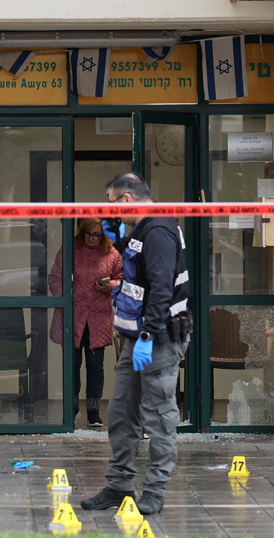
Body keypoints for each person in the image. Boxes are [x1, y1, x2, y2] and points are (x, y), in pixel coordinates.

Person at [81, 173, 191, 516]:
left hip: (157, 338)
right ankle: (119, 485)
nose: (108, 212)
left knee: (159, 417)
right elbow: (137, 279)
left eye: (110, 204)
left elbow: (161, 288)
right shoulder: (141, 230)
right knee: (121, 413)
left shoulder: (158, 230)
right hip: (137, 339)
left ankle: (155, 490)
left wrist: (146, 335)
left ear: (126, 200)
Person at [48, 218, 122, 427]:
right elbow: (55, 277)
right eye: (88, 234)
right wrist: (65, 297)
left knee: (95, 367)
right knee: (72, 365)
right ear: (82, 233)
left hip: (98, 318)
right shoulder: (71, 249)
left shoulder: (112, 254)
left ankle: (93, 411)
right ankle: (71, 408)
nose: (91, 238)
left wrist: (109, 286)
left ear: (103, 236)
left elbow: (123, 279)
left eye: (96, 235)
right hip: (73, 315)